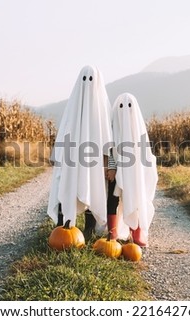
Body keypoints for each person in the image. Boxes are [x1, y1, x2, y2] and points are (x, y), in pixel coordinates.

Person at [47, 65, 112, 239]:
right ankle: (63, 227)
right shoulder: (72, 108)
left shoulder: (103, 109)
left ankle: (89, 230)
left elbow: (107, 140)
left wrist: (108, 164)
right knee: (67, 186)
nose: (87, 83)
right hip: (71, 159)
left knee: (93, 187)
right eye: (84, 79)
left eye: (91, 79)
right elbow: (63, 135)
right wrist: (58, 158)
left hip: (95, 161)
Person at [109, 93, 158, 247]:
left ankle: (136, 230)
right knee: (112, 198)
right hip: (116, 170)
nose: (124, 111)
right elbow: (109, 148)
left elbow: (145, 155)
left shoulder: (138, 129)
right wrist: (112, 167)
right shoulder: (112, 127)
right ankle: (112, 231)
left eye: (129, 106)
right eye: (121, 107)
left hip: (133, 172)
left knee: (135, 197)